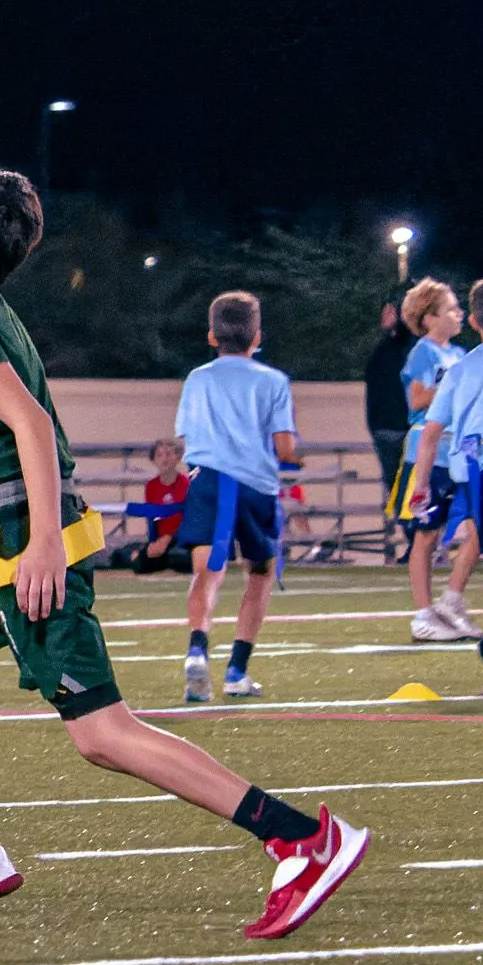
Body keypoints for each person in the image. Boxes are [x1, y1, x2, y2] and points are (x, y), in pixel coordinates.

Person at [0, 159, 368, 937]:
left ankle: (302, 838)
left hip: (18, 540)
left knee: (101, 733)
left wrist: (46, 544)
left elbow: (32, 433)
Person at [175, 293, 299, 701]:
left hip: (208, 481)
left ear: (211, 335)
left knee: (207, 570)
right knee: (260, 574)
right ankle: (236, 671)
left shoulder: (198, 378)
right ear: (257, 336)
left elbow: (185, 437)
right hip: (254, 487)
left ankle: (197, 648)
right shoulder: (273, 381)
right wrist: (300, 454)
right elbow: (284, 449)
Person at [409, 279, 483, 692]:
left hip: (473, 468)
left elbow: (432, 432)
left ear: (472, 320)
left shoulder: (461, 368)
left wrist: (420, 485)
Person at [395, 278, 481, 641]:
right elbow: (416, 400)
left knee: (478, 526)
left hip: (458, 451)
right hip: (427, 452)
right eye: (450, 309)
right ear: (428, 318)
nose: (458, 314)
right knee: (425, 536)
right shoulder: (425, 352)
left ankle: (451, 602)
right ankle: (423, 614)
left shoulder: (460, 354)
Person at [105, 436, 192, 573]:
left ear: (177, 457)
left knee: (179, 558)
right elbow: (152, 520)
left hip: (179, 540)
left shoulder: (185, 484)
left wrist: (168, 539)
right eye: (159, 455)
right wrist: (153, 543)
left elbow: (186, 519)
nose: (165, 459)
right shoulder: (151, 486)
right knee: (136, 561)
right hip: (160, 541)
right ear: (154, 459)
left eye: (169, 454)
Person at [364, 298, 415, 508]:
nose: (386, 317)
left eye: (391, 312)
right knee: (401, 495)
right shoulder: (384, 349)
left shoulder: (408, 345)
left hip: (400, 429)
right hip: (387, 430)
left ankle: (416, 535)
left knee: (407, 496)